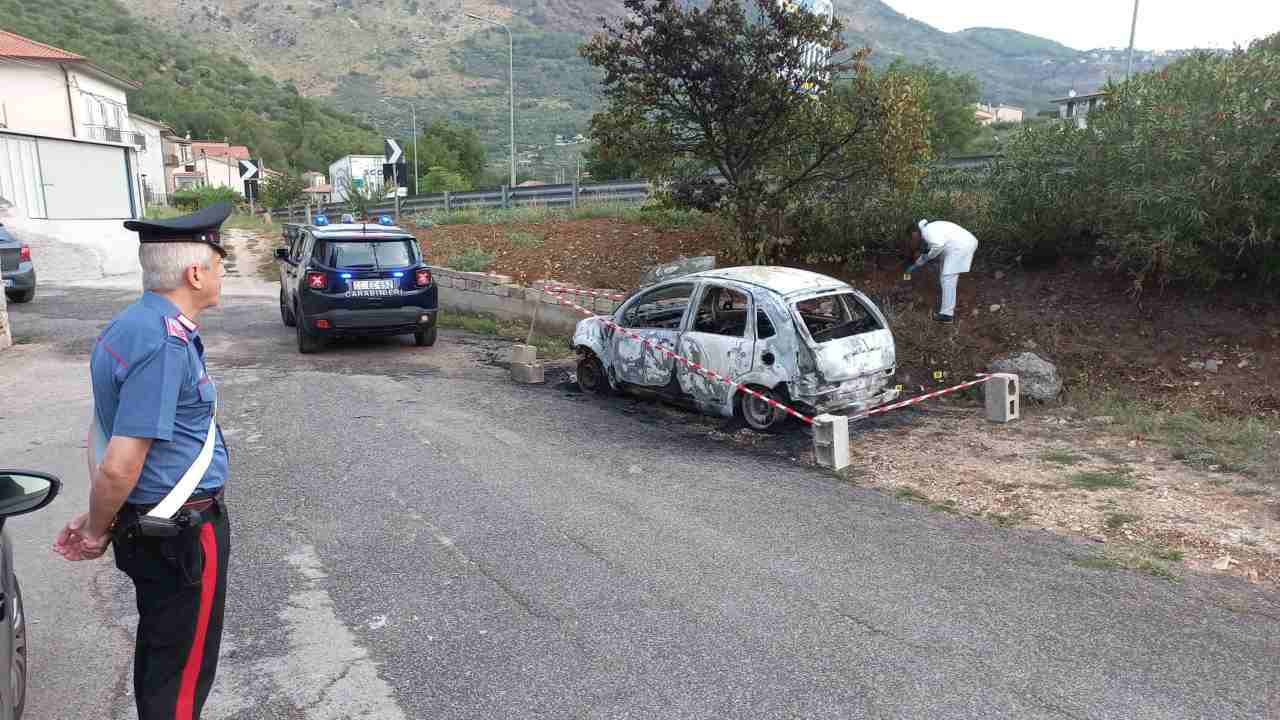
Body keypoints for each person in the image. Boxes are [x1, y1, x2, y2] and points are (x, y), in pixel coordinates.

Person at [54, 203, 233, 720]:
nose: (221, 275)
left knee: (161, 655)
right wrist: (93, 529)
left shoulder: (130, 325)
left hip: (150, 524)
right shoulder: (163, 343)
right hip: (181, 531)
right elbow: (119, 463)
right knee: (180, 673)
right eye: (219, 264)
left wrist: (102, 519)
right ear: (195, 273)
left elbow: (100, 431)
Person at [905, 219, 979, 323]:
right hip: (957, 246)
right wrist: (918, 263)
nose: (914, 240)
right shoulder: (929, 229)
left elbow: (938, 246)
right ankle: (947, 310)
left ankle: (947, 315)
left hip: (960, 247)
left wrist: (927, 257)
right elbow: (935, 247)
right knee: (945, 275)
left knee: (947, 278)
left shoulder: (927, 232)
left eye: (912, 237)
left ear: (915, 233)